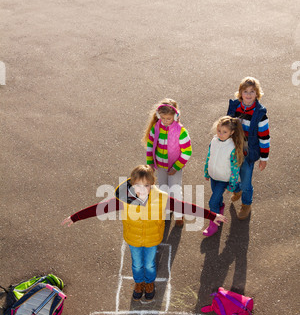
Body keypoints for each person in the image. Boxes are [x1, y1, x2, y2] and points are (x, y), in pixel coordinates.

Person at [62, 165, 226, 301]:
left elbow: (185, 207)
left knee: (149, 264)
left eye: (146, 186)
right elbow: (98, 208)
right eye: (138, 186)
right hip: (133, 238)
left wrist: (212, 215)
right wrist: (75, 217)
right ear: (132, 185)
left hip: (152, 239)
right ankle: (138, 282)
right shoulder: (123, 199)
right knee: (137, 264)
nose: (142, 190)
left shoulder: (161, 198)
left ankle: (149, 283)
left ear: (152, 184)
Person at [142, 98, 192, 227]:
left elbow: (187, 152)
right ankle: (167, 210)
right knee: (163, 189)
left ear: (175, 116)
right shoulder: (156, 127)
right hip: (160, 166)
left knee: (175, 190)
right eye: (162, 118)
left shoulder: (181, 131)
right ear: (158, 115)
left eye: (168, 118)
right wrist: (150, 163)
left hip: (174, 166)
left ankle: (179, 214)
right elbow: (150, 146)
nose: (165, 121)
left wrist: (176, 167)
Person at [227, 76, 270, 220]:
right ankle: (237, 190)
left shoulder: (260, 114)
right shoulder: (235, 107)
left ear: (257, 94)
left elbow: (264, 138)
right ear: (240, 93)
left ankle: (246, 204)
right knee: (230, 177)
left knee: (246, 182)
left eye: (252, 91)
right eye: (245, 91)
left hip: (247, 152)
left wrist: (264, 158)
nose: (249, 94)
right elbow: (226, 125)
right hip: (233, 149)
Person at [203, 116, 244, 236]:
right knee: (217, 201)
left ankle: (213, 225)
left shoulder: (232, 147)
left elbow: (235, 168)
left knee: (212, 202)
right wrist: (206, 171)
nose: (220, 134)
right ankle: (221, 207)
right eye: (219, 131)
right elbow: (209, 156)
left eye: (224, 132)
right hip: (214, 176)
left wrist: (231, 183)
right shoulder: (214, 141)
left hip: (224, 179)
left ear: (232, 132)